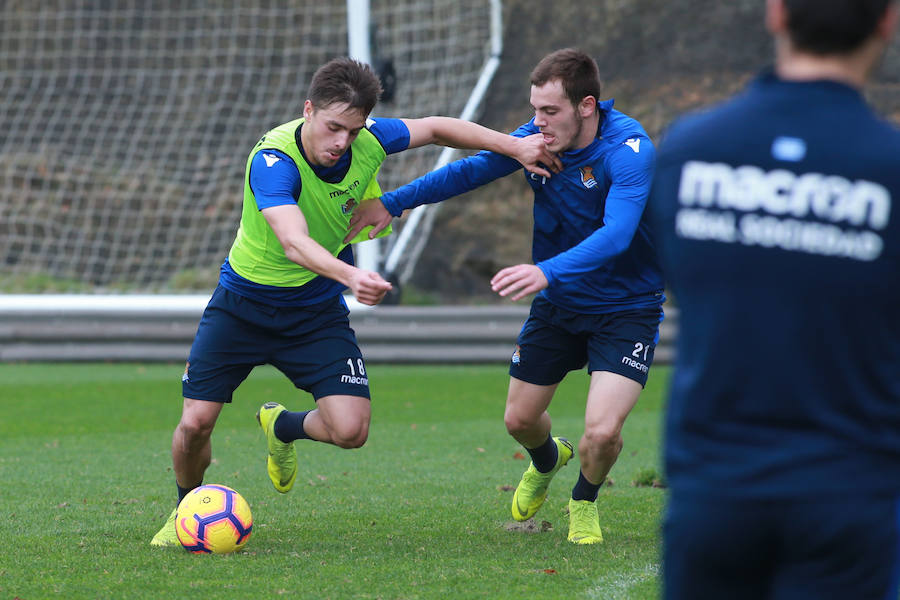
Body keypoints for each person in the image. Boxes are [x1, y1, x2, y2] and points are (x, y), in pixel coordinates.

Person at [150, 56, 560, 546]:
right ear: (308, 110)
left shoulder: (366, 140)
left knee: (351, 430)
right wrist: (351, 274)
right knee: (195, 424)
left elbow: (434, 128)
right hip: (242, 306)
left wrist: (512, 145)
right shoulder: (274, 161)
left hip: (314, 312)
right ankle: (183, 513)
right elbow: (293, 242)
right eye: (333, 127)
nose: (342, 141)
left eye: (354, 128)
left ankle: (283, 426)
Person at [346, 48, 665, 545]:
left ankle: (583, 500)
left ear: (587, 106)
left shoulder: (628, 150)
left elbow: (618, 234)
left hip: (626, 309)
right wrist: (392, 201)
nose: (538, 123)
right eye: (534, 110)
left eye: (550, 112)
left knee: (601, 434)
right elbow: (469, 171)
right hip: (559, 305)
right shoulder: (537, 140)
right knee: (519, 420)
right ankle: (546, 459)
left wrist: (546, 271)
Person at [646, 0, 900, 597]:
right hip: (849, 494)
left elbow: (693, 284)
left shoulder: (690, 149)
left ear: (776, 13)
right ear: (887, 21)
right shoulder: (888, 168)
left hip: (714, 490)